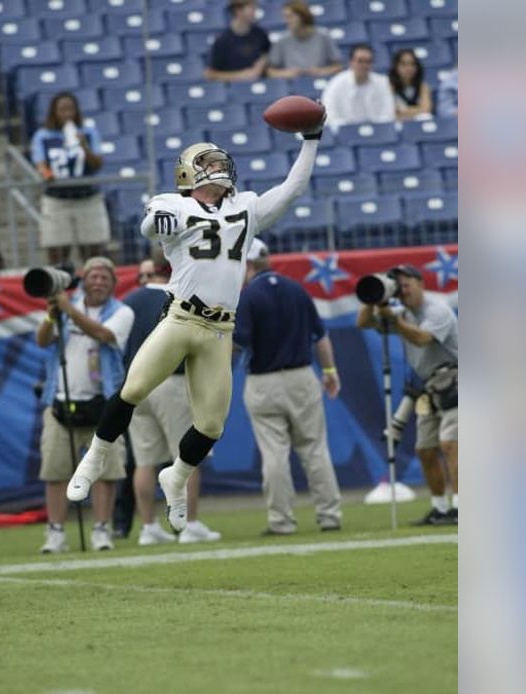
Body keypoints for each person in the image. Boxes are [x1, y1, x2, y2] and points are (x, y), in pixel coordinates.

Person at [64, 111, 328, 533]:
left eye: (223, 163)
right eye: (212, 163)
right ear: (190, 173)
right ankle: (93, 457)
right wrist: (157, 224)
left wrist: (311, 140)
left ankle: (178, 476)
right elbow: (152, 222)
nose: (221, 169)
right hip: (182, 317)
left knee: (210, 424)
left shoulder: (246, 206)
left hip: (220, 330)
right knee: (133, 388)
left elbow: (293, 188)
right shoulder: (175, 203)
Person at [235, 239, 344, 534]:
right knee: (315, 449)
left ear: (248, 264)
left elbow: (237, 343)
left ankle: (281, 521)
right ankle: (329, 515)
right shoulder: (297, 289)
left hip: (263, 381)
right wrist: (330, 370)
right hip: (302, 376)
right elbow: (320, 336)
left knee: (274, 454)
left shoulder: (248, 296)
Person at [35, 257, 135, 552]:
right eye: (93, 276)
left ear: (114, 284)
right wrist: (53, 314)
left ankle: (101, 530)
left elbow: (105, 335)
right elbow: (42, 341)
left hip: (103, 402)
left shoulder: (122, 312)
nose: (99, 281)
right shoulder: (64, 307)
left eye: (105, 277)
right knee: (55, 471)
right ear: (84, 280)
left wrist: (68, 310)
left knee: (105, 473)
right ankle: (55, 533)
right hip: (61, 401)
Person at [120, 258, 223, 544]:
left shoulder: (129, 300)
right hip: (171, 381)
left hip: (136, 384)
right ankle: (188, 525)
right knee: (187, 457)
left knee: (144, 461)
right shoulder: (180, 297)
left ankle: (149, 528)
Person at [357, 265, 459, 525]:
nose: (403, 290)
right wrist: (374, 298)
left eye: (406, 284)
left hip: (456, 382)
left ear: (420, 283)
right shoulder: (402, 313)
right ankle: (439, 508)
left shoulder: (438, 311)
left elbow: (423, 338)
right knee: (425, 449)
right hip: (428, 388)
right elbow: (363, 322)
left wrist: (394, 321)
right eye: (398, 286)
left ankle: (459, 507)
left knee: (451, 445)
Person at [30, 93, 110, 265]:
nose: (67, 114)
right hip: (57, 200)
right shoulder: (43, 136)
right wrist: (47, 174)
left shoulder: (88, 133)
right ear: (54, 112)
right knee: (57, 250)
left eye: (70, 109)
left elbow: (97, 164)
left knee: (93, 251)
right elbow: (40, 163)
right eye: (62, 110)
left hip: (88, 198)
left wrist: (84, 147)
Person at [320, 44, 396, 128]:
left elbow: (388, 114)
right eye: (360, 61)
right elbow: (330, 116)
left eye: (368, 61)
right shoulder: (335, 84)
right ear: (351, 62)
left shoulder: (383, 83)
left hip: (379, 133)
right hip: (345, 133)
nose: (364, 65)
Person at [266, 1, 342, 79]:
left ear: (303, 16)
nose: (287, 21)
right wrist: (287, 73)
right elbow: (271, 72)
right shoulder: (282, 41)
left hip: (320, 82)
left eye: (290, 17)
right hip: (291, 86)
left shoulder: (324, 36)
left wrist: (322, 72)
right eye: (285, 17)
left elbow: (338, 67)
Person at [204, 0, 271, 82]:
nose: (255, 12)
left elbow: (268, 52)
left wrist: (261, 63)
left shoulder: (260, 33)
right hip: (234, 89)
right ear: (238, 11)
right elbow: (210, 74)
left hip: (260, 84)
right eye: (252, 8)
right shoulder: (222, 41)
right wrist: (240, 75)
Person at [389, 49, 433, 121]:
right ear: (396, 66)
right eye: (404, 64)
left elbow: (426, 109)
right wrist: (417, 109)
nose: (408, 68)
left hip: (416, 121)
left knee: (426, 117)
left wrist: (402, 110)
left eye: (412, 64)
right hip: (398, 121)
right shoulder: (389, 86)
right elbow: (391, 110)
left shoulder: (423, 86)